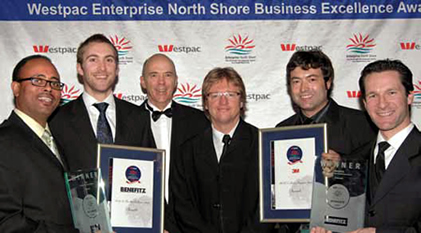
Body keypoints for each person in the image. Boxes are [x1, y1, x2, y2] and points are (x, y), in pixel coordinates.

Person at [313, 59, 421, 233]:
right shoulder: (353, 161)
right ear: (364, 103)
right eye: (373, 95)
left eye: (391, 93)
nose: (382, 104)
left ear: (409, 96)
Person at [276, 51, 376, 233]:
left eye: (312, 79)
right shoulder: (281, 130)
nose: (303, 88)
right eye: (296, 81)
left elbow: (381, 180)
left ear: (328, 82)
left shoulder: (362, 123)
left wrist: (343, 166)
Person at [172, 67, 270, 233]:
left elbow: (269, 202)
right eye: (215, 95)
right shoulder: (186, 152)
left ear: (241, 101)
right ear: (205, 103)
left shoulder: (264, 145)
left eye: (230, 94)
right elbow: (182, 207)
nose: (223, 102)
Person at [50, 34, 152, 171]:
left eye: (109, 60)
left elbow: (149, 172)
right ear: (80, 68)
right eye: (93, 60)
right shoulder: (57, 120)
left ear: (117, 69)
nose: (102, 68)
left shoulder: (139, 117)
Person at [0, 55, 78, 232]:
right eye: (38, 80)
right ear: (16, 88)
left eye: (54, 83)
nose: (48, 89)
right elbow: (6, 222)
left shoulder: (58, 140)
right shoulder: (4, 142)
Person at [139, 53, 209, 233]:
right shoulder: (126, 122)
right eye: (153, 75)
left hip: (192, 226)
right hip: (144, 224)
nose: (161, 82)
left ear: (176, 81)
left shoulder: (199, 122)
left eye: (168, 75)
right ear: (143, 82)